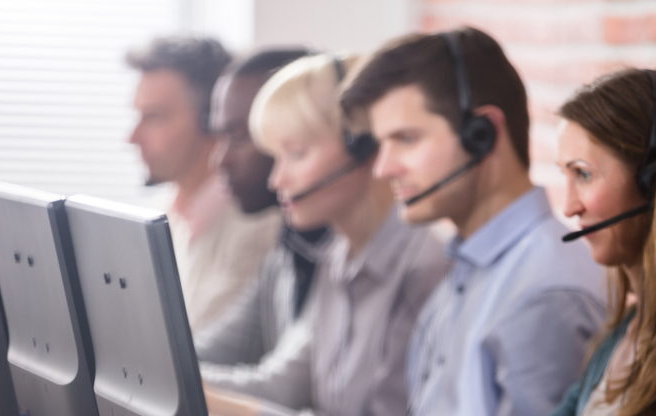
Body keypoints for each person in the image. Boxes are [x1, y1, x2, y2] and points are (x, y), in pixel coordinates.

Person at [340, 27, 606, 416]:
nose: (383, 168)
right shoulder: (470, 268)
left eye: (406, 139)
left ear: (482, 133)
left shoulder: (543, 294)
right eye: (382, 144)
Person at [203, 53, 449, 416]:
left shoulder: (424, 267)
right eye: (276, 156)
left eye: (297, 154)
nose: (276, 180)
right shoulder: (337, 256)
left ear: (362, 145)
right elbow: (291, 385)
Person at [549, 69, 656, 416]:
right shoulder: (617, 338)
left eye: (583, 174)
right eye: (565, 176)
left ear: (653, 181)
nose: (570, 206)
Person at [193, 48, 335, 400]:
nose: (220, 160)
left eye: (239, 137)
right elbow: (218, 347)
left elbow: (282, 390)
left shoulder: (346, 254)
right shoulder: (291, 245)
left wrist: (149, 377)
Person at [126, 37, 280, 333]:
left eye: (154, 117)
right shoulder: (167, 217)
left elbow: (190, 351)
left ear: (213, 120)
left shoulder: (258, 231)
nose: (133, 137)